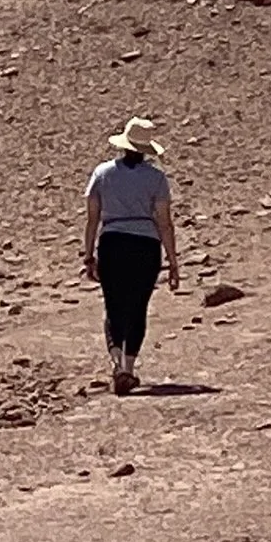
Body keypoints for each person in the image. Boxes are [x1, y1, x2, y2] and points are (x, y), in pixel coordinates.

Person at [83, 117, 180, 395]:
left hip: (112, 242)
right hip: (145, 244)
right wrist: (173, 260)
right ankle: (128, 367)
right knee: (138, 306)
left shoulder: (102, 174)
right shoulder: (156, 178)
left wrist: (89, 255)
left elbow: (92, 218)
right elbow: (164, 221)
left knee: (113, 305)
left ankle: (117, 365)